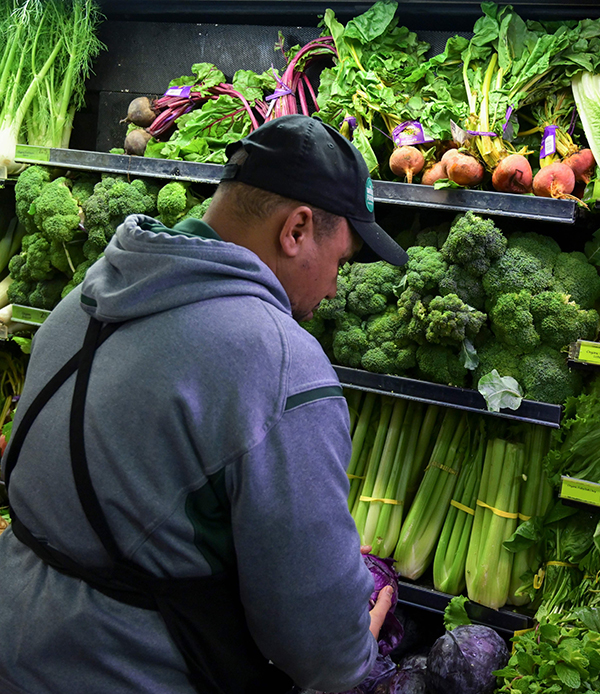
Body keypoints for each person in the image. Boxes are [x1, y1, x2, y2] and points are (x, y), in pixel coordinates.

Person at [0, 114, 408, 693]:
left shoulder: (83, 300)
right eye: (339, 261)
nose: (336, 288)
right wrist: (352, 642)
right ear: (295, 230)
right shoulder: (281, 361)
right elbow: (320, 650)